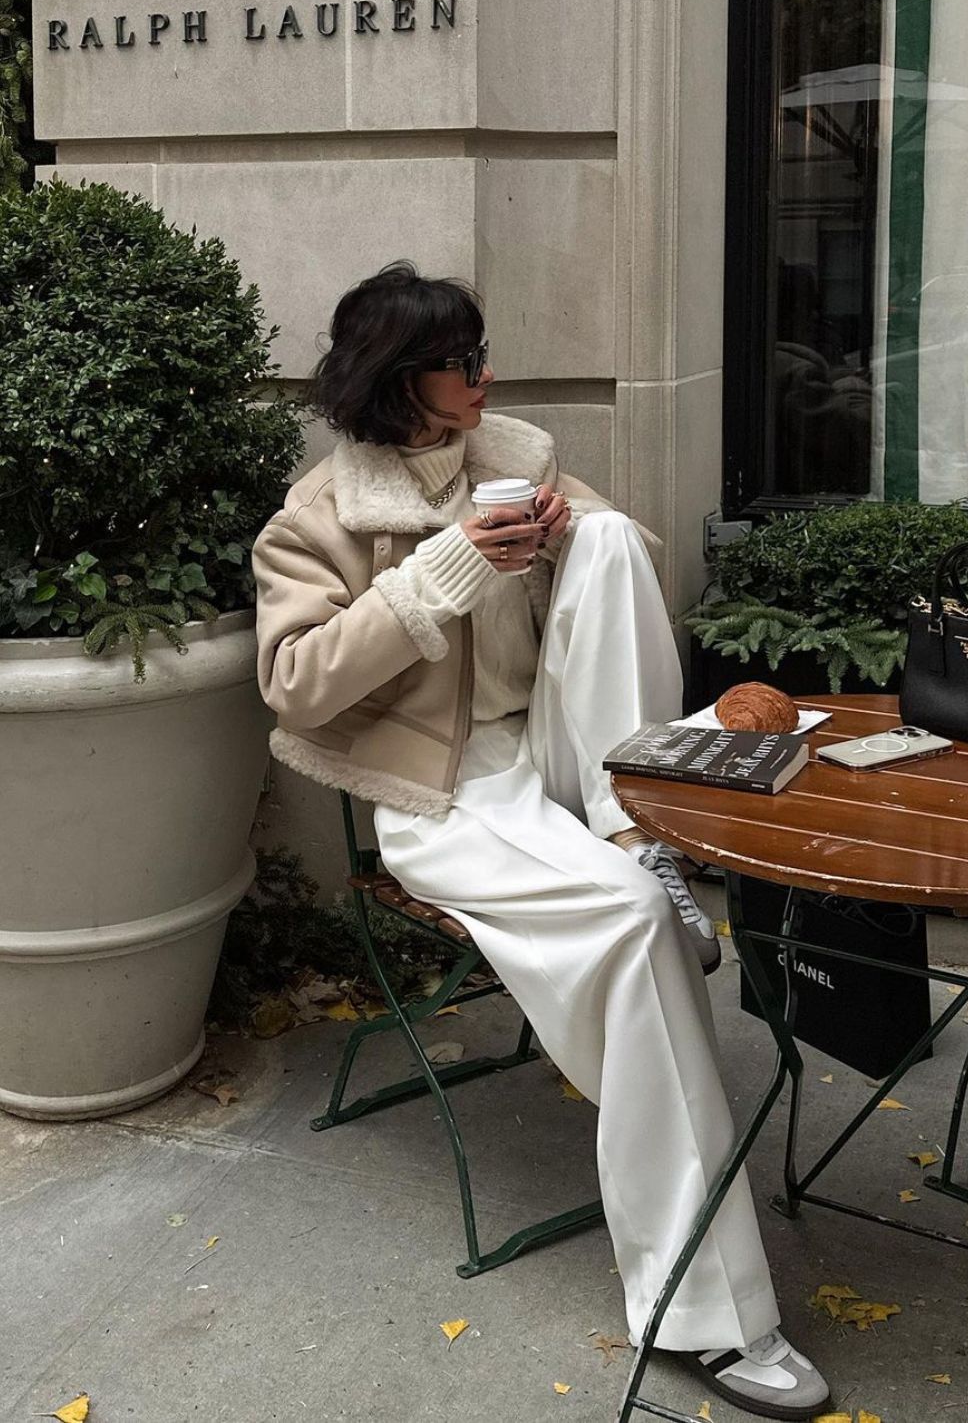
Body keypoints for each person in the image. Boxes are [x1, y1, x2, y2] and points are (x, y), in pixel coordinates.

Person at [252, 262, 832, 1421]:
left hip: (564, 750)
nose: (484, 377)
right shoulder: (314, 519)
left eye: (480, 355)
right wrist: (448, 571)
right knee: (634, 935)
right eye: (461, 363)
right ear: (394, 378)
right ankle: (702, 1311)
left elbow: (621, 585)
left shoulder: (515, 452)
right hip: (444, 796)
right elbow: (294, 688)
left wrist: (567, 537)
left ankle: (638, 828)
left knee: (615, 541)